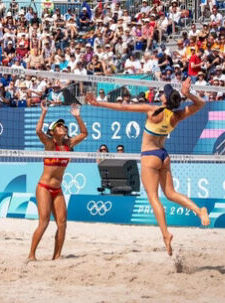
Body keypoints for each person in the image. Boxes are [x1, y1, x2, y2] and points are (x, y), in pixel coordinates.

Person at [86, 79, 210, 255]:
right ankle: (199, 210)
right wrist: (187, 93)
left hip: (150, 156)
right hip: (164, 156)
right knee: (171, 194)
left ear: (165, 99)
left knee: (153, 198)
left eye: (162, 93)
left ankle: (166, 234)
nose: (160, 94)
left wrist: (97, 103)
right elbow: (201, 103)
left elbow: (123, 108)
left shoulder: (153, 111)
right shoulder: (177, 115)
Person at [28, 102, 88, 261]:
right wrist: (44, 112)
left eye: (64, 126)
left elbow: (84, 133)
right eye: (59, 126)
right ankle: (31, 255)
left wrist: (77, 116)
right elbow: (38, 131)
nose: (63, 127)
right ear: (53, 131)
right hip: (44, 188)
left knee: (62, 223)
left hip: (58, 189)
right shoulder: (50, 144)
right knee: (44, 222)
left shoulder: (68, 144)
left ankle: (57, 256)